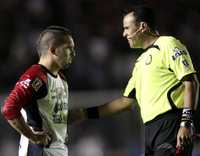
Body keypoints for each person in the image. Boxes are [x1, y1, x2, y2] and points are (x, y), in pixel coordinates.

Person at [85, 6, 199, 156]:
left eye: (127, 28)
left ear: (142, 27)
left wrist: (186, 123)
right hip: (150, 132)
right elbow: (124, 102)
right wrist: (84, 114)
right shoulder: (139, 63)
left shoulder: (168, 44)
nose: (124, 33)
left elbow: (191, 82)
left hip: (171, 126)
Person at [1, 25, 76, 156]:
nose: (73, 53)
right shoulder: (36, 76)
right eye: (69, 48)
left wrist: (60, 133)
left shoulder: (62, 79)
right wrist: (32, 136)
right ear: (53, 50)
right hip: (39, 151)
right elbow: (9, 108)